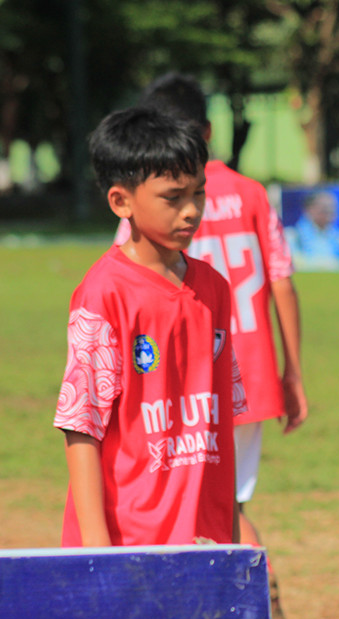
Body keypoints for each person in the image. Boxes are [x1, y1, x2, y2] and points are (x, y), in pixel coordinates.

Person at [112, 72, 303, 619]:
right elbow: (280, 279)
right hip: (252, 371)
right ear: (209, 128)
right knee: (225, 505)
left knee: (210, 508)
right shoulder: (248, 191)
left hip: (187, 379)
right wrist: (293, 371)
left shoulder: (156, 187)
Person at [54, 106, 245, 548]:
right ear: (121, 201)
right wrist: (99, 553)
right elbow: (82, 426)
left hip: (205, 541)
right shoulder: (103, 294)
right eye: (173, 197)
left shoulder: (214, 289)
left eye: (199, 193)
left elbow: (222, 425)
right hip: (129, 543)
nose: (192, 211)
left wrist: (230, 536)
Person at [289, 190, 339, 269]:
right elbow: (295, 264)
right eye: (325, 208)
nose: (330, 212)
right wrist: (333, 263)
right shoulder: (293, 236)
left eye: (333, 209)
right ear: (309, 209)